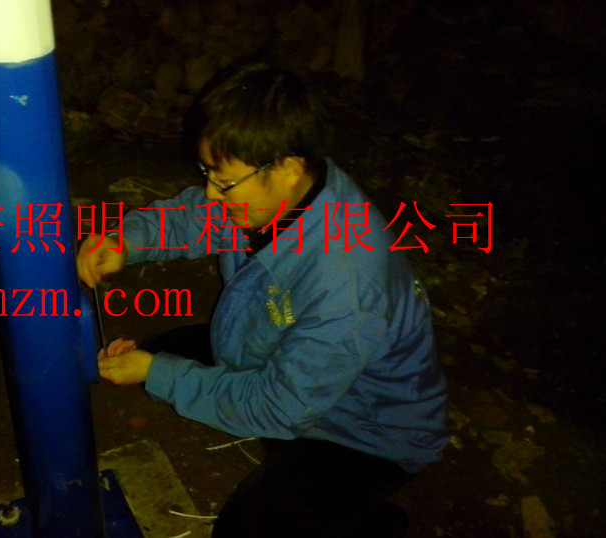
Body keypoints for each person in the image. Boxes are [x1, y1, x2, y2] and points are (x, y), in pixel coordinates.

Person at [76, 63, 448, 537]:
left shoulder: (349, 288)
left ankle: (367, 521)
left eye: (224, 181)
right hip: (279, 350)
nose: (211, 192)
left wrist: (159, 373)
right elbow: (194, 217)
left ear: (287, 168)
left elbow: (279, 405)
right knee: (162, 355)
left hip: (364, 430)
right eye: (208, 172)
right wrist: (125, 241)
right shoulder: (289, 191)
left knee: (246, 528)